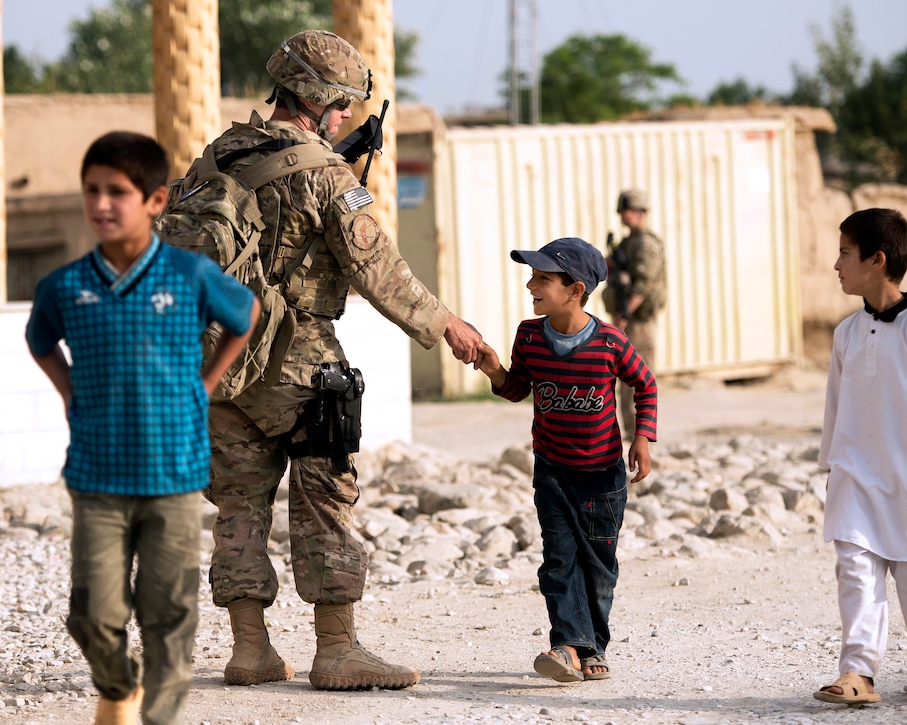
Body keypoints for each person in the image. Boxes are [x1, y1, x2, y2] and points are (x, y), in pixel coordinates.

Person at [198, 29, 482, 692]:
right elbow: (376, 268)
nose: (349, 116)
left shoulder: (216, 157)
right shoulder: (324, 175)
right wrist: (448, 326)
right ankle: (337, 649)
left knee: (238, 501)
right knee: (326, 494)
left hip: (217, 358)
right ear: (318, 98)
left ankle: (250, 649)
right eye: (344, 104)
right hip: (298, 358)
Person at [25, 131, 260, 725]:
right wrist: (69, 392)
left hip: (175, 475)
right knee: (92, 613)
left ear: (156, 201)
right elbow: (39, 340)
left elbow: (246, 313)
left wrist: (205, 386)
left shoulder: (188, 276)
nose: (102, 204)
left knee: (168, 616)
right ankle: (117, 685)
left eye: (118, 193)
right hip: (97, 477)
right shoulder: (65, 286)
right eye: (92, 191)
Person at [474, 236, 657, 683]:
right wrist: (494, 368)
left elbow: (645, 384)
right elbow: (518, 388)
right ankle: (567, 646)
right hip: (552, 472)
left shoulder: (611, 342)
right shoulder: (529, 335)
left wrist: (643, 439)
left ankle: (592, 647)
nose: (530, 285)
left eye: (542, 278)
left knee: (598, 566)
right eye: (532, 276)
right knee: (558, 560)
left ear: (575, 290)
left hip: (602, 478)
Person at [814, 208, 907, 707]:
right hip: (855, 476)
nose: (836, 264)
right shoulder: (847, 333)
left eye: (844, 253)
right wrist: (831, 465)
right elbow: (835, 405)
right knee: (855, 575)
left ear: (877, 261)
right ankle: (858, 672)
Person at [602, 189, 666, 438]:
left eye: (629, 211)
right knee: (624, 381)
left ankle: (642, 436)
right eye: (623, 211)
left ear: (642, 213)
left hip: (637, 321)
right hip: (626, 319)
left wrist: (623, 317)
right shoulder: (628, 243)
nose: (624, 216)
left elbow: (643, 285)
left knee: (639, 379)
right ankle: (629, 433)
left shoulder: (646, 244)